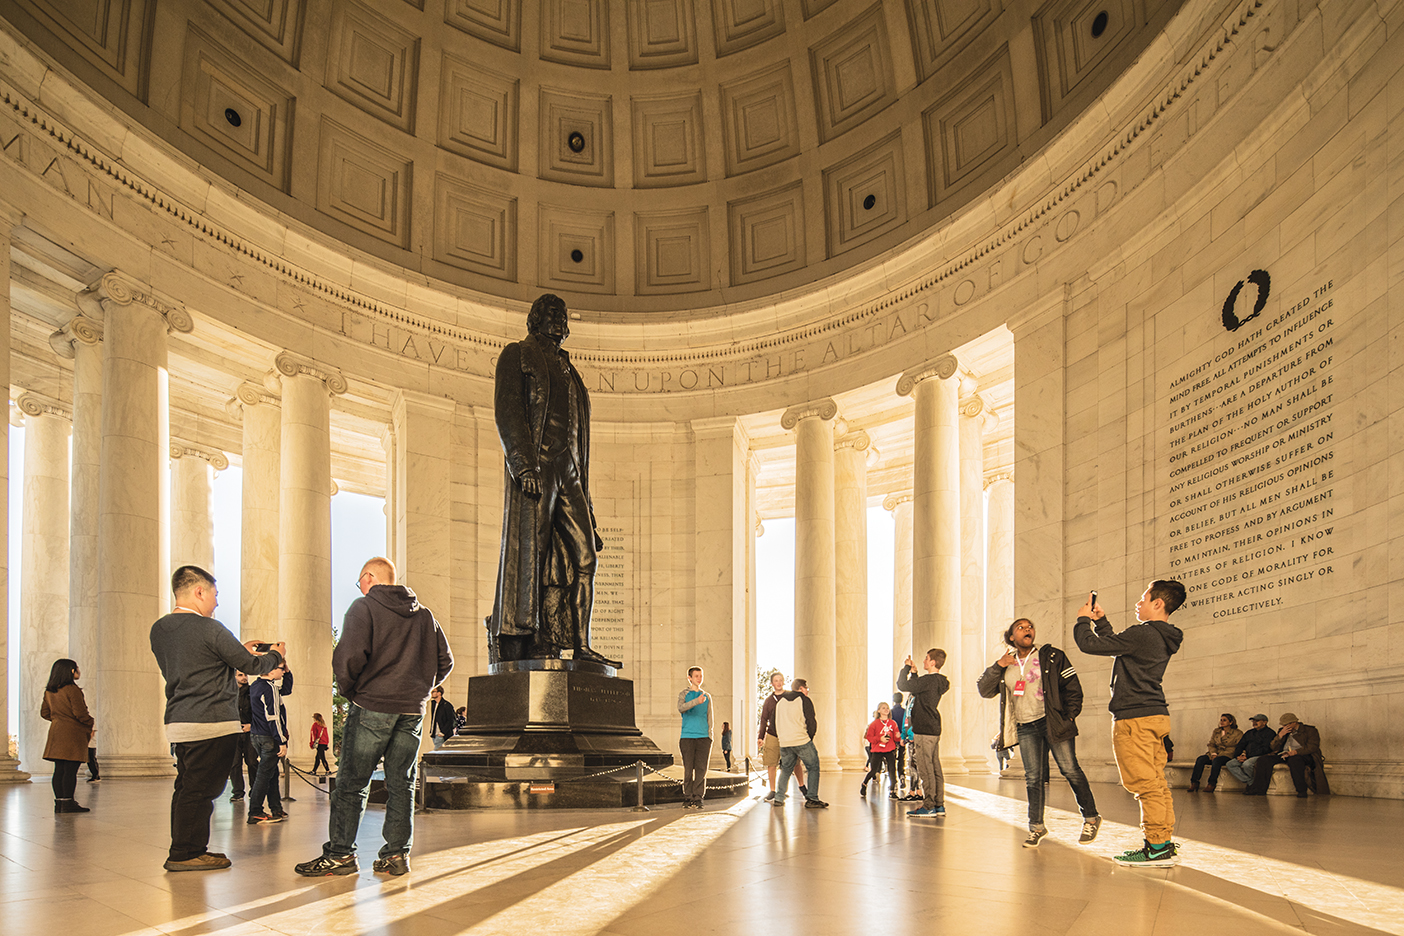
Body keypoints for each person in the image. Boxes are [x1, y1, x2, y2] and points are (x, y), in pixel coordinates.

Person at [295, 556, 452, 878]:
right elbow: (445, 661)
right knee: (402, 785)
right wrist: (418, 689)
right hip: (412, 711)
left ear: (368, 577)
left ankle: (340, 855)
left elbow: (348, 658)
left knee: (352, 784)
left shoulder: (363, 607)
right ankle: (396, 855)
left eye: (360, 582)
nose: (360, 587)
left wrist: (354, 692)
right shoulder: (424, 615)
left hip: (373, 706)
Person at [489, 293, 614, 666]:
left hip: (571, 472)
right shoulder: (518, 355)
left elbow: (578, 436)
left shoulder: (570, 372)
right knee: (535, 556)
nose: (558, 321)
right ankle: (538, 636)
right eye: (550, 314)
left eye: (562, 315)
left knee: (586, 556)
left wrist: (588, 507)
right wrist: (523, 464)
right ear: (535, 319)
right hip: (539, 466)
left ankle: (581, 643)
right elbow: (508, 410)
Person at [150, 565, 285, 872]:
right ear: (199, 591)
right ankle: (186, 853)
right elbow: (251, 664)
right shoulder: (211, 628)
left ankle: (185, 848)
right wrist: (275, 653)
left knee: (186, 787)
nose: (216, 602)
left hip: (180, 720)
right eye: (214, 594)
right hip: (210, 722)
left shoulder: (159, 630)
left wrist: (236, 650)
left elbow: (197, 663)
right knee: (202, 791)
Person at [1073, 581, 1186, 867]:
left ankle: (1156, 848)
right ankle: (1161, 842)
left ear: (1158, 603)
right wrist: (1102, 621)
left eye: (1143, 598)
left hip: (1135, 717)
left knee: (1144, 783)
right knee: (1156, 783)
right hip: (1154, 714)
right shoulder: (1158, 636)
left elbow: (1090, 645)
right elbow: (1118, 647)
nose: (1139, 603)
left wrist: (1083, 619)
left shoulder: (1144, 633)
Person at [977, 618, 1102, 847]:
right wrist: (998, 665)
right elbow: (984, 690)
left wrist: (1069, 716)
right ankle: (1036, 827)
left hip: (1052, 722)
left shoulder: (1052, 656)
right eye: (1021, 628)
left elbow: (1073, 687)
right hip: (1025, 727)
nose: (1027, 629)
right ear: (1012, 637)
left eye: (1030, 626)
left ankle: (1091, 818)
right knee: (1033, 778)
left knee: (1070, 769)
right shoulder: (1007, 664)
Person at [897, 649, 948, 817]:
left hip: (924, 729)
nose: (924, 661)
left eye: (927, 659)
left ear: (933, 662)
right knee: (935, 768)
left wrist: (905, 669)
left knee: (925, 769)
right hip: (933, 727)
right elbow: (920, 688)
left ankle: (929, 805)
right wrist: (915, 673)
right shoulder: (938, 681)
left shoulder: (929, 680)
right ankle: (939, 805)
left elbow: (902, 685)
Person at [41, 658, 95, 814]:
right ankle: (69, 803)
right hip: (73, 733)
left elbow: (44, 713)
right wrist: (90, 723)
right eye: (77, 668)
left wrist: (59, 719)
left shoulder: (50, 691)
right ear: (71, 671)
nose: (79, 670)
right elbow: (80, 713)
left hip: (56, 732)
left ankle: (59, 803)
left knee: (59, 769)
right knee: (71, 770)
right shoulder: (72, 689)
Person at [770, 679, 826, 808]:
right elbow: (811, 721)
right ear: (801, 688)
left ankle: (779, 798)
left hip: (785, 742)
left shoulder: (780, 702)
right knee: (813, 767)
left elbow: (773, 723)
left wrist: (783, 738)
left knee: (786, 769)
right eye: (807, 688)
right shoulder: (804, 700)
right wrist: (809, 738)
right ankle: (812, 798)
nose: (807, 691)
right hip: (801, 740)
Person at [1244, 713, 1330, 797]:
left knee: (1295, 760)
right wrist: (1280, 736)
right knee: (1263, 760)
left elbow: (1312, 746)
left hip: (1302, 754)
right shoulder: (1282, 731)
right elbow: (1273, 747)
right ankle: (1259, 789)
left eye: (1286, 725)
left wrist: (1295, 752)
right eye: (1283, 725)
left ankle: (1301, 790)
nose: (1284, 727)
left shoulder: (1309, 730)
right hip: (1284, 753)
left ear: (1293, 723)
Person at [247, 664, 290, 825]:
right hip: (268, 737)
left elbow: (286, 689)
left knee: (271, 773)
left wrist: (287, 672)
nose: (282, 670)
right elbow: (274, 717)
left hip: (256, 735)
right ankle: (255, 811)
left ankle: (276, 807)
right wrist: (282, 741)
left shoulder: (256, 686)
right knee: (264, 775)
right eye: (280, 668)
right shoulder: (269, 688)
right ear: (271, 670)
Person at [757, 670, 806, 801]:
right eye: (776, 680)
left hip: (789, 735)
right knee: (771, 763)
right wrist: (760, 737)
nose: (778, 683)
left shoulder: (791, 696)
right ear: (772, 683)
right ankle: (773, 790)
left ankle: (802, 786)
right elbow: (763, 719)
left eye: (780, 680)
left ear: (783, 682)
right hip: (773, 734)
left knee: (795, 763)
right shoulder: (768, 700)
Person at [677, 665, 713, 809]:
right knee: (688, 769)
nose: (699, 678)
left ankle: (698, 797)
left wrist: (710, 735)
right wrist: (696, 702)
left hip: (704, 737)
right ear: (689, 678)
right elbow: (681, 708)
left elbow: (710, 717)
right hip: (687, 737)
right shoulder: (684, 694)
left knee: (701, 769)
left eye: (701, 676)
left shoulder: (707, 697)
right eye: (696, 676)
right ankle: (687, 797)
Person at [1189, 713, 1242, 792]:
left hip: (1227, 754)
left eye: (1224, 720)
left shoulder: (1237, 733)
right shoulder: (1217, 731)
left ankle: (1212, 783)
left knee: (1217, 761)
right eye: (1221, 720)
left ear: (1230, 722)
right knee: (1201, 759)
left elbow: (1240, 745)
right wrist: (1213, 753)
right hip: (1216, 753)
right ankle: (1194, 782)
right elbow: (1211, 744)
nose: (1222, 722)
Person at [228, 671, 258, 802]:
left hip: (250, 732)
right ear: (234, 676)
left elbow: (259, 712)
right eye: (240, 675)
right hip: (234, 733)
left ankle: (255, 790)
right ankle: (238, 792)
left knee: (252, 761)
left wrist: (251, 725)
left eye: (245, 675)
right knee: (234, 764)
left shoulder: (252, 692)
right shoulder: (228, 693)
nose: (244, 678)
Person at [859, 702, 899, 798]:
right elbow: (869, 737)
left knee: (892, 769)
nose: (886, 709)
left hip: (890, 749)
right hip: (877, 750)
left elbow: (896, 736)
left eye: (887, 708)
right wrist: (879, 739)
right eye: (883, 708)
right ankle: (864, 784)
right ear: (879, 710)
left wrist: (898, 736)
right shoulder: (874, 724)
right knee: (874, 770)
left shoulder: (893, 723)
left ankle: (893, 790)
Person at [1222, 714, 1274, 786]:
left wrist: (1248, 756)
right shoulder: (1249, 733)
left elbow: (1266, 749)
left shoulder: (1270, 733)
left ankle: (1252, 785)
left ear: (1265, 722)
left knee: (1247, 764)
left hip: (1260, 756)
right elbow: (1240, 745)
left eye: (1257, 721)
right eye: (1253, 721)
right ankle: (1251, 782)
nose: (1254, 723)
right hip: (1246, 756)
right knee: (1230, 764)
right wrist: (1238, 756)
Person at [890, 691, 907, 795]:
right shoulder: (904, 712)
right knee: (901, 758)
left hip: (893, 738)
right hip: (902, 737)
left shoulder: (891, 712)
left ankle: (894, 781)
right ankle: (902, 776)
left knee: (891, 759)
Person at [429, 686, 456, 750]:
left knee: (436, 753)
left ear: (439, 693)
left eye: (433, 691)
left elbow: (450, 720)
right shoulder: (433, 704)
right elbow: (434, 719)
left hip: (441, 734)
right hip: (434, 734)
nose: (431, 693)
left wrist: (442, 732)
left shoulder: (446, 705)